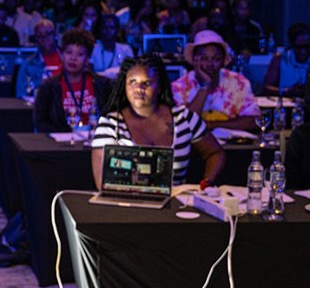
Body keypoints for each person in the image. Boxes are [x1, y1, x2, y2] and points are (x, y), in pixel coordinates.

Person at [91, 55, 223, 188]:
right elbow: (102, 183)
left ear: (159, 86)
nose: (139, 88)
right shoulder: (110, 124)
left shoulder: (183, 118)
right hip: (126, 205)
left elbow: (215, 153)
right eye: (132, 81)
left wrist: (205, 185)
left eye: (147, 82)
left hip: (175, 205)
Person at [172, 29, 259, 134]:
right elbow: (184, 125)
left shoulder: (238, 82)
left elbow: (254, 121)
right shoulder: (179, 86)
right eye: (204, 58)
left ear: (223, 61)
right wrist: (205, 86)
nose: (210, 64)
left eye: (216, 59)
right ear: (194, 60)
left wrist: (211, 125)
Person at [33, 28, 111, 131]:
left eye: (80, 54)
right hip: (60, 143)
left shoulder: (102, 84)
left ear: (87, 59)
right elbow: (40, 122)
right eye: (69, 52)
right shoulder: (49, 86)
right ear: (62, 55)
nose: (73, 58)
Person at [263, 23, 310, 98]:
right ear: (292, 45)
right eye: (299, 47)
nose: (303, 51)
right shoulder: (280, 59)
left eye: (307, 47)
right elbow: (267, 87)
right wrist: (287, 91)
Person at [90, 12, 134, 77]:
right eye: (105, 27)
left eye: (111, 27)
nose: (108, 31)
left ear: (117, 30)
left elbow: (131, 71)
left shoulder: (126, 49)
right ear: (101, 30)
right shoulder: (93, 49)